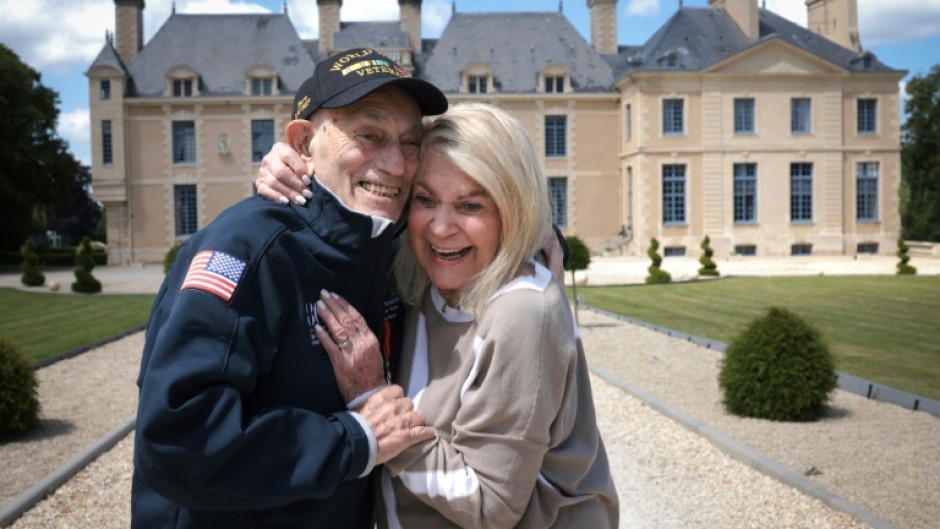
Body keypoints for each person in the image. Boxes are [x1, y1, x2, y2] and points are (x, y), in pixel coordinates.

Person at [132, 48, 448, 529]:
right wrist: (357, 439)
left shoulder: (390, 250)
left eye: (410, 143)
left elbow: (479, 187)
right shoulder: (246, 248)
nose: (398, 165)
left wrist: (532, 234)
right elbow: (180, 436)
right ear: (302, 142)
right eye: (369, 134)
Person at [266, 103, 619, 528]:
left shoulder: (522, 311)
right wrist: (295, 165)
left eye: (470, 205)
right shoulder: (420, 276)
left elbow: (490, 506)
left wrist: (374, 401)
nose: (440, 227)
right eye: (426, 199)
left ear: (513, 208)